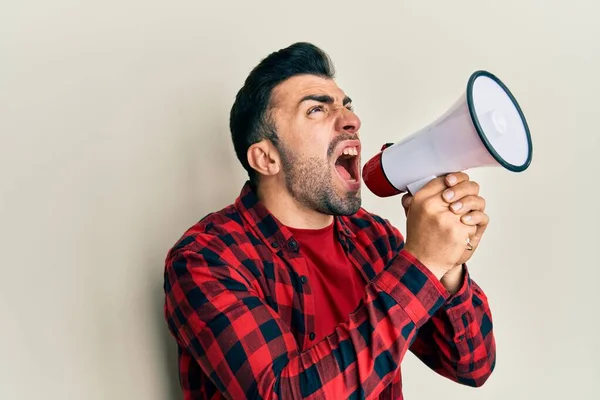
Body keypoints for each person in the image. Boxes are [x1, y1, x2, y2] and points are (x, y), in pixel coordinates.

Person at [163, 42, 496, 399]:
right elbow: (283, 393)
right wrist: (421, 262)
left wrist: (446, 268)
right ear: (266, 158)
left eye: (346, 105)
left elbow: (472, 366)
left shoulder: (374, 238)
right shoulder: (206, 260)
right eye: (317, 110)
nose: (352, 120)